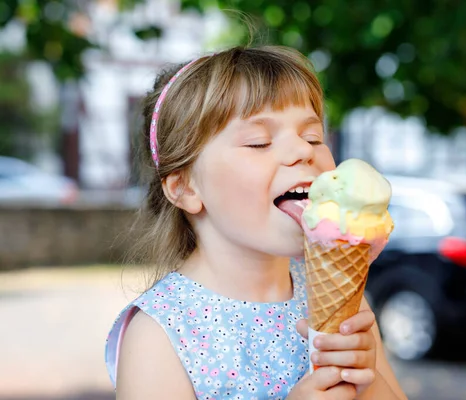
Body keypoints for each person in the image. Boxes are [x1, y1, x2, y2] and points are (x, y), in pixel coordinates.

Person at [105, 45, 408, 400]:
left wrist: (365, 383)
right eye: (259, 142)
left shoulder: (347, 300)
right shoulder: (159, 335)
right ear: (185, 187)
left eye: (313, 136)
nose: (303, 151)